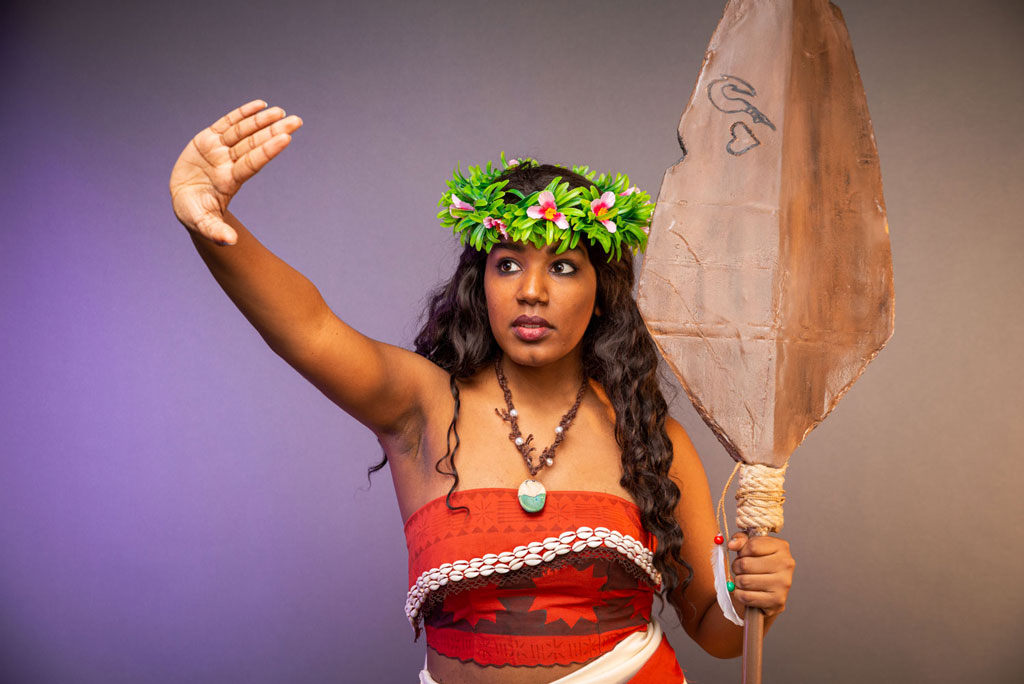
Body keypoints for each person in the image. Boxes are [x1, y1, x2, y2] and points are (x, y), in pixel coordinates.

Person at [169, 100, 795, 684]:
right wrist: (210, 220)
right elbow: (307, 328)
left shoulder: (652, 442)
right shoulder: (422, 405)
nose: (532, 291)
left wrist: (746, 597)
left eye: (564, 266)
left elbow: (711, 630)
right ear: (483, 283)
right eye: (509, 263)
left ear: (601, 290)